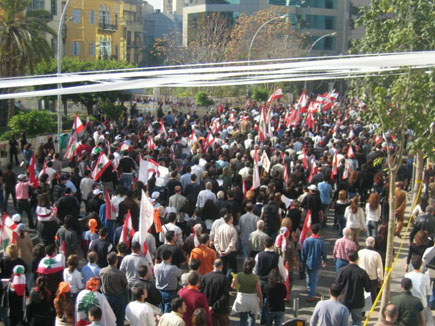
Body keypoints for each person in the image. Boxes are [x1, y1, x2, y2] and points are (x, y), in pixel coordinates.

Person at [336, 251, 372, 326]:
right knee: (357, 320)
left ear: (348, 258)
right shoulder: (362, 272)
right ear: (357, 259)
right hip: (358, 301)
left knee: (343, 321)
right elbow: (368, 288)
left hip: (344, 300)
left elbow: (337, 285)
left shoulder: (342, 271)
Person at [231, 258, 263, 326]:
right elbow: (259, 291)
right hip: (252, 300)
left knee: (243, 319)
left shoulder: (239, 275)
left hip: (242, 299)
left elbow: (233, 286)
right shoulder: (255, 277)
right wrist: (261, 300)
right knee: (252, 319)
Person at [99, 252, 128, 326]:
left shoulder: (102, 271)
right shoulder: (120, 274)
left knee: (108, 319)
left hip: (106, 297)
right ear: (116, 261)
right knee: (119, 319)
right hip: (118, 298)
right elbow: (125, 284)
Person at [199, 259, 230, 326]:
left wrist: (208, 305)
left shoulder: (204, 277)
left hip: (208, 307)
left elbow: (201, 293)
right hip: (221, 309)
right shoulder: (224, 278)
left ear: (213, 266)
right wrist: (214, 306)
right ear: (222, 266)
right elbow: (225, 295)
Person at [301, 224, 327, 302]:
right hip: (316, 263)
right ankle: (310, 295)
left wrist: (302, 261)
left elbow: (303, 252)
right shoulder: (321, 242)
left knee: (308, 277)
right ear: (318, 232)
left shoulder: (307, 240)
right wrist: (324, 260)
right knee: (314, 280)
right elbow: (324, 253)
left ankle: (310, 291)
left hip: (308, 262)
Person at [404, 255, 433, 326]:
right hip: (422, 304)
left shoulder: (407, 276)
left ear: (411, 264)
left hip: (409, 304)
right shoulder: (425, 277)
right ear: (421, 264)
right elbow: (428, 292)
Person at [358, 237, 383, 302]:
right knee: (372, 293)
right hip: (372, 277)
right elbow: (379, 268)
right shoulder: (376, 254)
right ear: (373, 244)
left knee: (361, 292)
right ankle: (372, 306)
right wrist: (380, 279)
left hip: (361, 276)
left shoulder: (360, 252)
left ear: (366, 243)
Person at [214, 213, 238, 279]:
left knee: (222, 267)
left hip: (221, 251)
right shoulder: (232, 229)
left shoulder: (219, 228)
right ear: (230, 219)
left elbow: (216, 241)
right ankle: (228, 280)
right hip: (231, 252)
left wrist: (218, 250)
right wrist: (227, 251)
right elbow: (232, 242)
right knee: (232, 268)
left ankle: (222, 280)